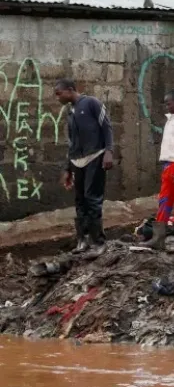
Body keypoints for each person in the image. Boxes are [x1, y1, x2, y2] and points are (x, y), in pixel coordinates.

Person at [56, 79, 114, 256]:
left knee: (92, 199)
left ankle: (99, 242)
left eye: (59, 93)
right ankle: (83, 240)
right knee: (80, 201)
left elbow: (107, 127)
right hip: (77, 162)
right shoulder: (70, 111)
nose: (57, 98)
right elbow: (72, 142)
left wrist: (109, 151)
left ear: (70, 90)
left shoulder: (91, 103)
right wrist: (67, 168)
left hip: (95, 157)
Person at [142, 89, 174, 250]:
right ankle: (158, 238)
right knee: (164, 199)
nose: (167, 106)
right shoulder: (171, 120)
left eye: (169, 102)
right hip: (169, 164)